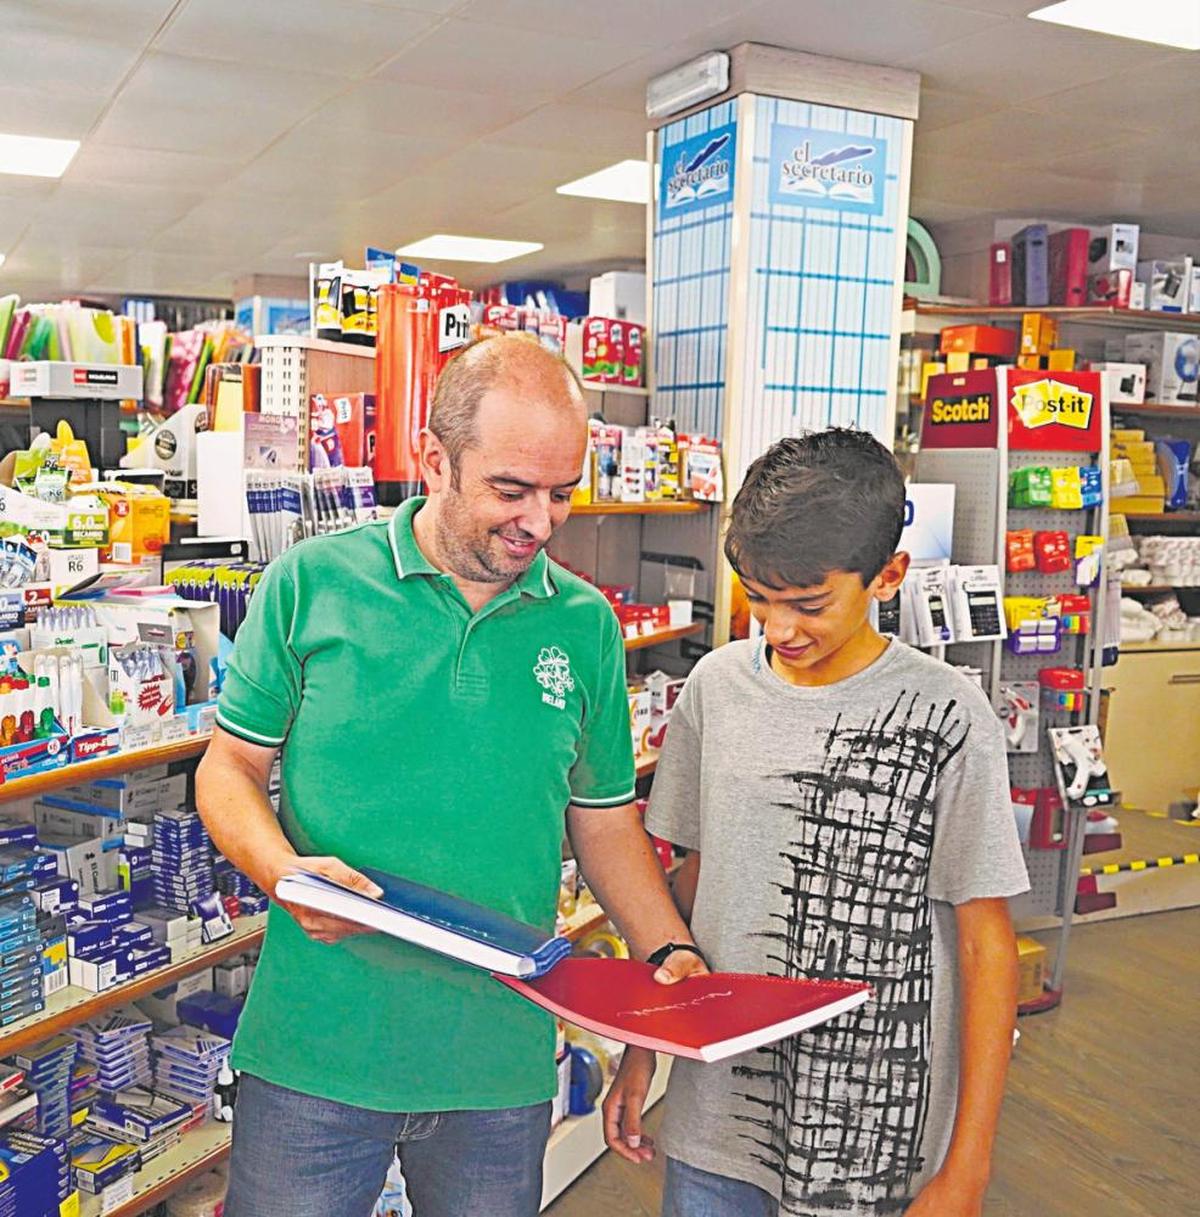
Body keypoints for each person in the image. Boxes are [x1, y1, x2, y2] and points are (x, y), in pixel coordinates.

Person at [197, 336, 707, 1217]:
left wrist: (667, 954)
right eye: (511, 490)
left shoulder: (584, 625)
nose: (541, 522)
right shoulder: (312, 584)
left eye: (561, 493)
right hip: (318, 1048)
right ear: (432, 459)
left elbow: (604, 822)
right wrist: (281, 869)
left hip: (498, 1063)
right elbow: (229, 767)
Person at [603, 429, 1029, 1217]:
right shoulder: (715, 688)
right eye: (758, 599)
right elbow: (687, 897)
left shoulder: (948, 714)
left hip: (873, 1134)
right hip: (715, 1115)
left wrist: (968, 1164)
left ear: (888, 575)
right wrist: (643, 1051)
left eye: (808, 604)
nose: (779, 629)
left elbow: (984, 942)